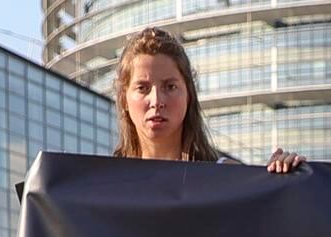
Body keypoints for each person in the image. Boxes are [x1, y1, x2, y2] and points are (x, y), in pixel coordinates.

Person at [115, 26, 303, 172]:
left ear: (189, 94)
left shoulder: (227, 177)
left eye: (170, 87)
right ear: (124, 99)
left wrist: (280, 181)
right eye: (142, 88)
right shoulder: (104, 184)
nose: (156, 101)